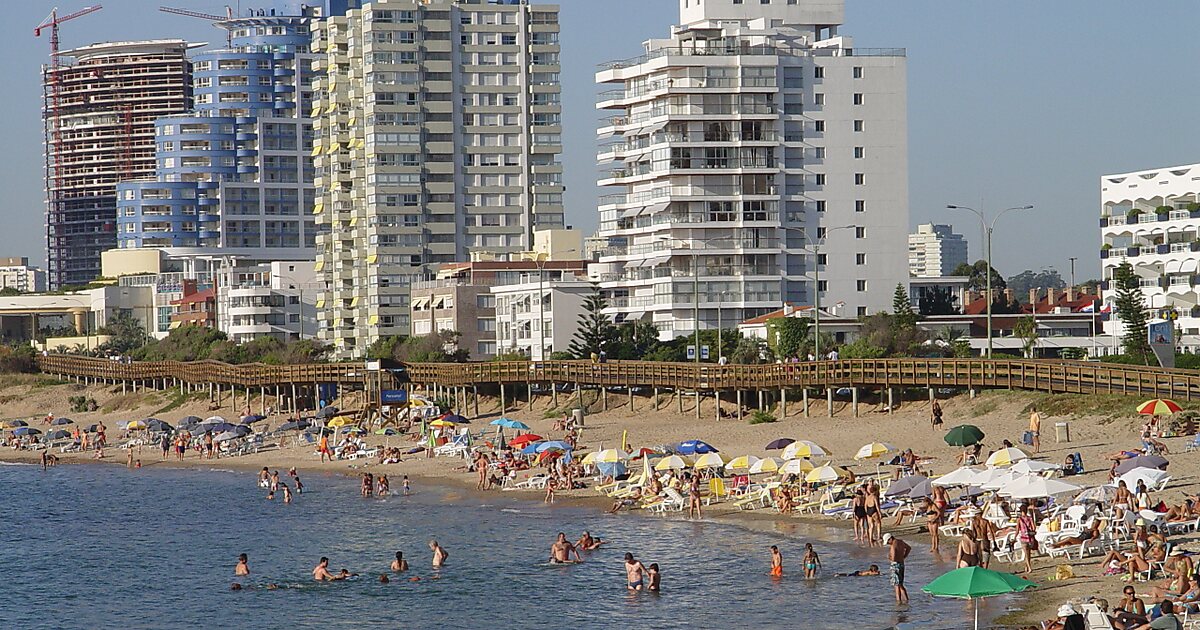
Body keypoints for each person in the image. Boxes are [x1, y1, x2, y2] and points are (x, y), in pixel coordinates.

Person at [885, 533, 910, 605]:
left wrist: (889, 557)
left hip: (895, 566)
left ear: (890, 539)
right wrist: (904, 556)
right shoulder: (900, 542)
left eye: (887, 542)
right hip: (902, 564)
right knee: (901, 585)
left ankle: (898, 602)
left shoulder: (893, 546)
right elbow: (908, 548)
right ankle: (906, 600)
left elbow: (893, 558)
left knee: (896, 585)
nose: (888, 544)